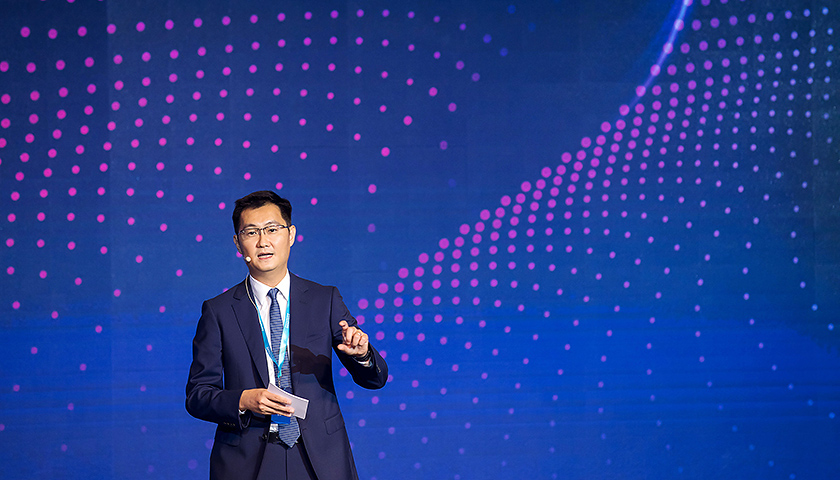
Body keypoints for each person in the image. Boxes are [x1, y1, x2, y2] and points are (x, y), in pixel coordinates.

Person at [186, 190, 388, 480]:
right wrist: (243, 400)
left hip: (320, 457)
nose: (263, 241)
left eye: (272, 229)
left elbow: (375, 379)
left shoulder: (324, 300)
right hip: (248, 459)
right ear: (238, 243)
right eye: (251, 232)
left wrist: (363, 355)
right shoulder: (218, 311)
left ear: (291, 234)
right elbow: (198, 395)